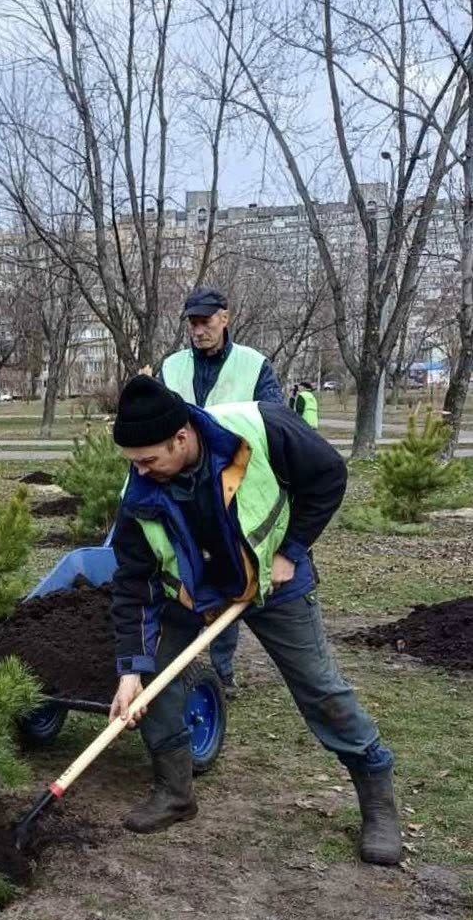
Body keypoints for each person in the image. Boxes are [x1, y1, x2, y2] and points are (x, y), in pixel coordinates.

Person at [108, 373, 401, 866]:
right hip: (192, 590)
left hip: (274, 581)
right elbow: (132, 581)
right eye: (134, 462)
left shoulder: (260, 429)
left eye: (149, 460)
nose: (140, 470)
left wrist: (292, 549)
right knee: (156, 679)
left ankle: (377, 800)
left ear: (181, 438)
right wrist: (129, 669)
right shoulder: (139, 490)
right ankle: (175, 792)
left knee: (320, 688)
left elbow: (329, 476)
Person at [158, 285, 285, 697]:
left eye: (206, 321)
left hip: (235, 487)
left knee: (233, 571)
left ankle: (223, 670)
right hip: (183, 485)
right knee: (186, 569)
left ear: (225, 318)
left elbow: (274, 423)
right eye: (192, 323)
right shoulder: (173, 367)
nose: (198, 330)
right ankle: (175, 659)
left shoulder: (253, 366)